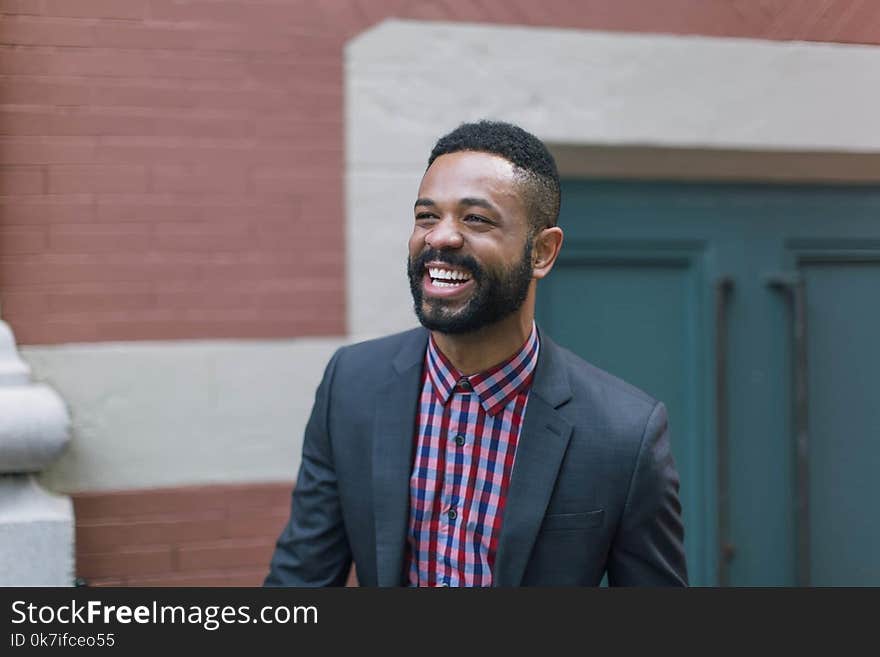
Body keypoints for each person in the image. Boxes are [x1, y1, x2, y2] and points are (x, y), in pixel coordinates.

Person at [265, 120, 688, 587]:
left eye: (476, 219)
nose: (440, 237)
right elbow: (300, 583)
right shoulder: (350, 385)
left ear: (542, 252)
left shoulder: (625, 434)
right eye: (426, 216)